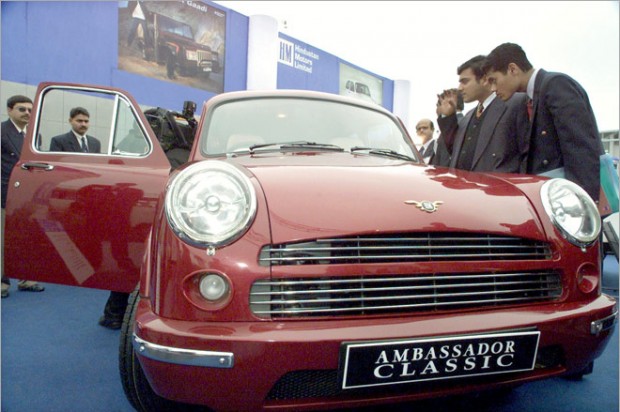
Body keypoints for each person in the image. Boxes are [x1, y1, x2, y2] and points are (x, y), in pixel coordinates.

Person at [483, 42, 603, 201]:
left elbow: (580, 148)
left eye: (494, 80)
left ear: (512, 69)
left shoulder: (556, 84)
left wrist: (583, 203)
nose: (492, 88)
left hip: (569, 201)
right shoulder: (530, 98)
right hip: (550, 196)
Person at [50, 107, 127, 329]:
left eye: (86, 121)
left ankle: (90, 269)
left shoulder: (94, 143)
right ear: (70, 121)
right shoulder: (59, 141)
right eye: (79, 121)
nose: (83, 124)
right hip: (69, 196)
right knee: (68, 236)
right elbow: (58, 171)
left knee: (91, 236)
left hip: (90, 198)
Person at [432, 55, 528, 173]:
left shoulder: (515, 103)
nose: (460, 88)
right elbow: (455, 150)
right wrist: (448, 116)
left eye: (465, 81)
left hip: (497, 184)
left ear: (484, 79)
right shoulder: (468, 116)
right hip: (462, 183)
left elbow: (528, 153)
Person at [1, 95, 46, 298]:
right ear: (9, 110)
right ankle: (2, 283)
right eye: (22, 109)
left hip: (28, 197)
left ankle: (26, 279)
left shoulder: (35, 136)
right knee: (2, 241)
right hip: (5, 193)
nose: (27, 113)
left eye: (30, 109)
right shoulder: (2, 131)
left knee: (25, 239)